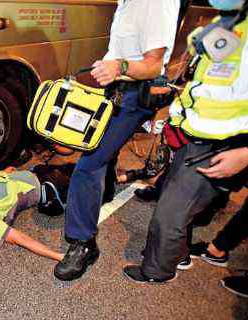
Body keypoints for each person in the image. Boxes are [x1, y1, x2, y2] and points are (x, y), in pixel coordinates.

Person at [123, 0, 248, 283]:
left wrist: (247, 154)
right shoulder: (230, 22)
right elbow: (205, 82)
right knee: (176, 201)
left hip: (222, 147)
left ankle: (157, 271)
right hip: (194, 137)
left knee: (168, 216)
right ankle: (177, 255)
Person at [54, 0, 180, 280]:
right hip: (119, 88)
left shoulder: (155, 3)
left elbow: (153, 66)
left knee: (89, 162)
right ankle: (105, 191)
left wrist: (119, 66)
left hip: (135, 94)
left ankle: (83, 242)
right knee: (104, 151)